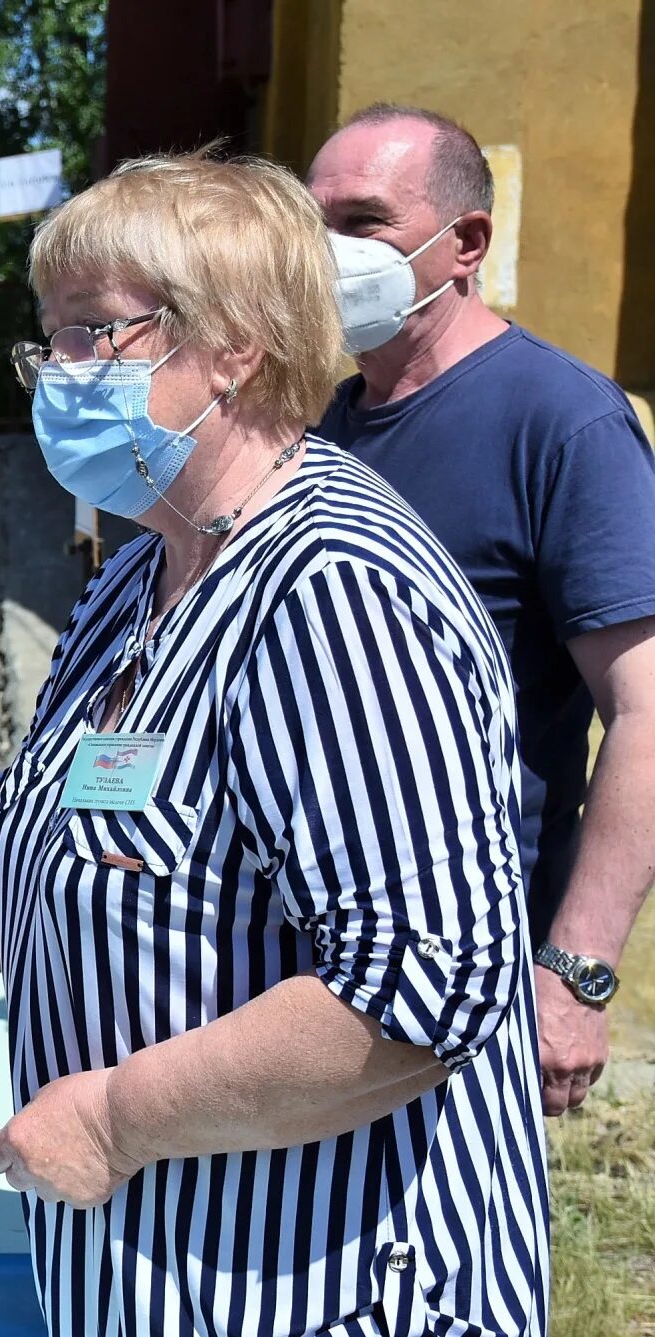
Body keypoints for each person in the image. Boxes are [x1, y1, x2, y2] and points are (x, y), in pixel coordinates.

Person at [0, 153, 547, 1335]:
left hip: (334, 1289)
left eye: (92, 335)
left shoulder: (336, 591)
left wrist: (116, 1113)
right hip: (149, 1275)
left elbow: (417, 990)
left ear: (235, 345)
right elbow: (9, 867)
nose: (56, 376)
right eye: (49, 340)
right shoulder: (139, 577)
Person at [310, 104, 655, 1116]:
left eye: (361, 222)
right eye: (309, 223)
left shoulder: (561, 421)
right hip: (313, 970)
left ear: (463, 244)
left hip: (465, 979)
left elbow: (642, 712)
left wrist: (575, 971)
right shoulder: (327, 423)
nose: (324, 254)